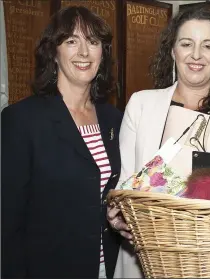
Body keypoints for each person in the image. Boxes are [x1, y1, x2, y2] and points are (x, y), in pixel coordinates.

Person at [107, 7, 210, 278]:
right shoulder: (142, 104)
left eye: (208, 46)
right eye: (186, 44)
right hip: (143, 254)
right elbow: (127, 180)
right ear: (172, 51)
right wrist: (117, 209)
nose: (196, 55)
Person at [1, 6, 122, 278]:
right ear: (53, 53)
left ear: (102, 53)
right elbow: (7, 224)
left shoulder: (113, 119)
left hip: (111, 269)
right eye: (71, 41)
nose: (83, 52)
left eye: (92, 42)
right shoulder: (21, 120)